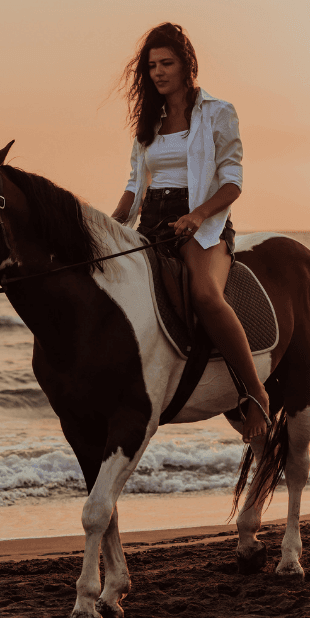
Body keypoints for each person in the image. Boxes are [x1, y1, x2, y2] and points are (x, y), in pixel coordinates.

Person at [111, 22, 269, 444]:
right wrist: (110, 224)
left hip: (204, 224)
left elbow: (233, 182)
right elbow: (133, 184)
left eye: (166, 63)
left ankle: (255, 394)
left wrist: (198, 216)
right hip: (152, 223)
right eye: (151, 66)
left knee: (204, 294)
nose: (158, 72)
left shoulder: (218, 112)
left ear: (187, 66)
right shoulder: (149, 120)